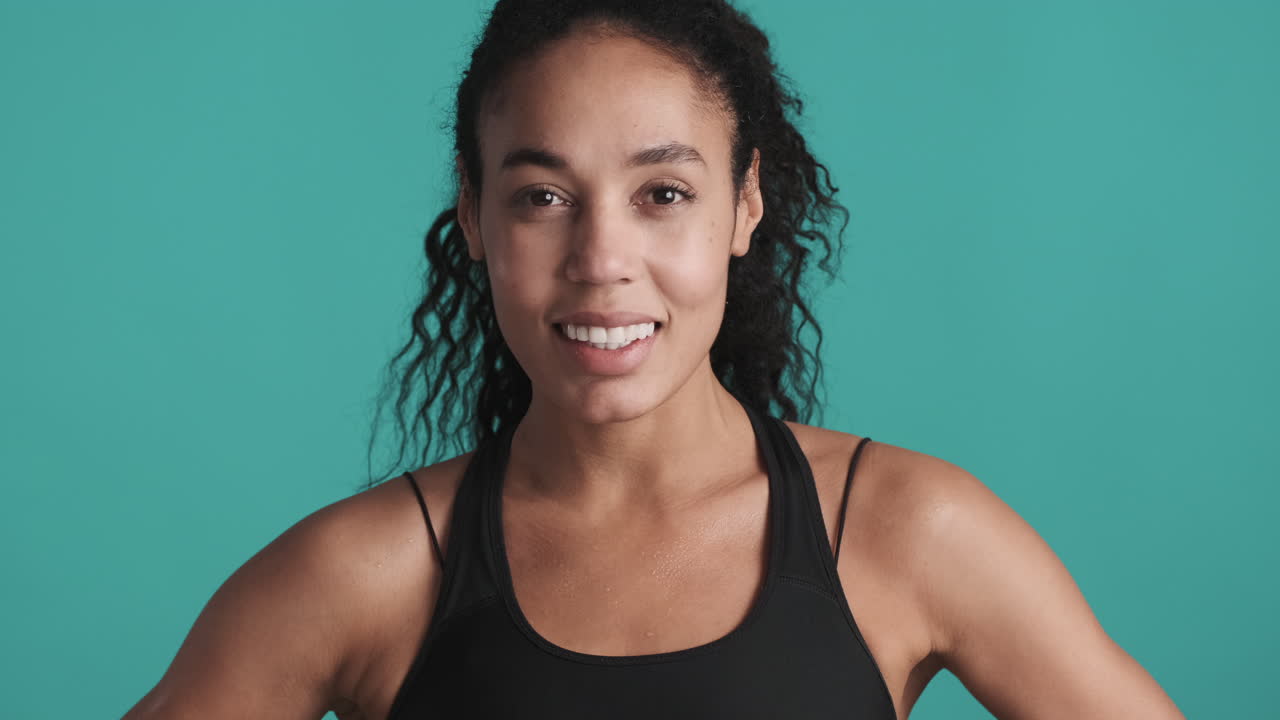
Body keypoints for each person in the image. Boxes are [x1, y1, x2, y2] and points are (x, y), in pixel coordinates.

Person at [125, 1, 1186, 718]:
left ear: (744, 204)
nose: (600, 263)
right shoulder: (365, 575)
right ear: (475, 216)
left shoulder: (907, 533)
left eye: (661, 195)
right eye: (542, 197)